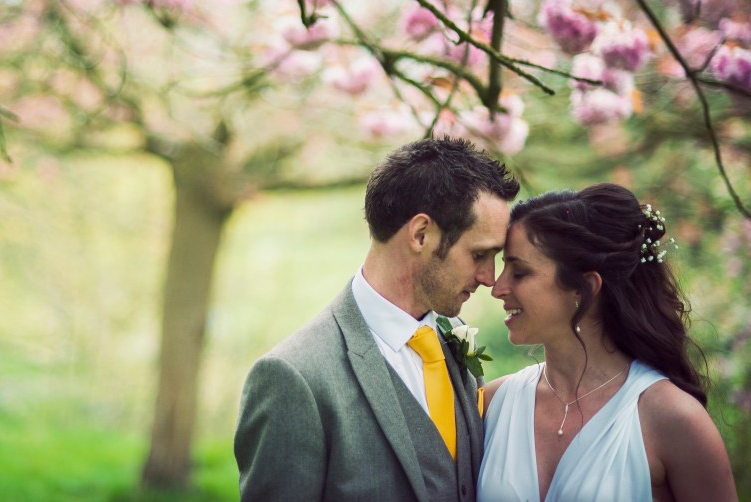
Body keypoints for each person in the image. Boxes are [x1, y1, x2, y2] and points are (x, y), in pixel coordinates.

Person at [234, 136, 520, 502]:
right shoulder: (294, 378)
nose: (490, 277)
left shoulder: (456, 339)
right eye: (480, 254)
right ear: (420, 234)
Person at [479, 183, 738, 502]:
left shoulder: (673, 419)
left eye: (519, 272)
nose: (497, 287)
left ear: (584, 287)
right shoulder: (491, 403)